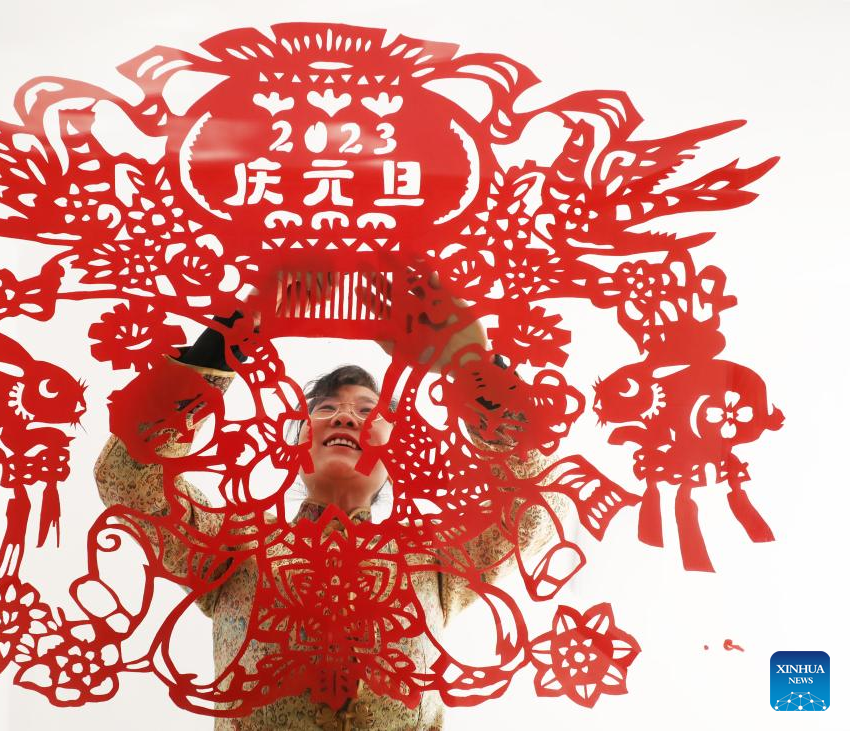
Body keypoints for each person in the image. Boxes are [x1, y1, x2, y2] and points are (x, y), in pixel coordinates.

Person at [94, 304, 565, 730]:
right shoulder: (236, 546)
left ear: (397, 452)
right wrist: (216, 352)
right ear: (296, 441)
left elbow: (533, 511)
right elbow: (127, 477)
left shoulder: (434, 558)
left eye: (367, 410)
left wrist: (475, 373)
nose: (345, 417)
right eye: (325, 409)